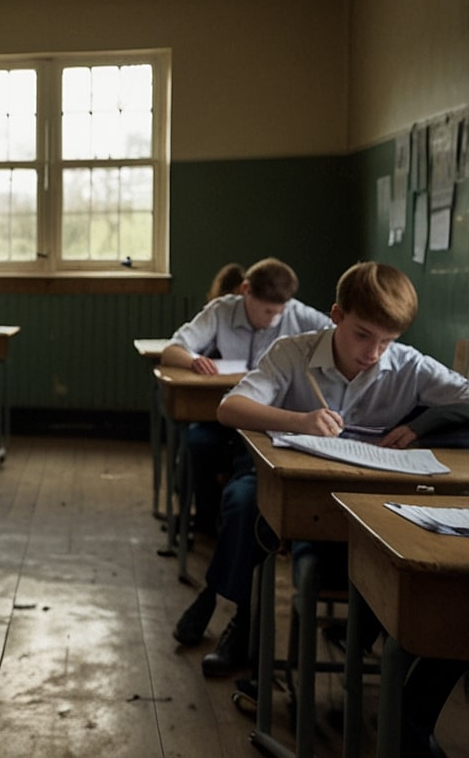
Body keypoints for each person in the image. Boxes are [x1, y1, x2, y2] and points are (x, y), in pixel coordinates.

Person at [193, 262, 469, 690]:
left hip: (368, 494)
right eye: (363, 335)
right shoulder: (293, 352)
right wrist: (299, 421)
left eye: (387, 340)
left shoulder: (409, 365)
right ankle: (242, 621)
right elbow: (230, 409)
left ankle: (380, 649)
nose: (373, 352)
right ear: (336, 315)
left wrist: (422, 425)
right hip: (292, 481)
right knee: (245, 500)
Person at [166, 257, 332, 650]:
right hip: (228, 415)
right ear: (245, 292)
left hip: (270, 428)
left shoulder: (303, 320)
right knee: (200, 446)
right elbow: (175, 348)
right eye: (265, 310)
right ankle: (205, 521)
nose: (272, 319)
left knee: (243, 499)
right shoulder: (222, 311)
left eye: (279, 312)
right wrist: (194, 360)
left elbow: (336, 341)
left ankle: (215, 595)